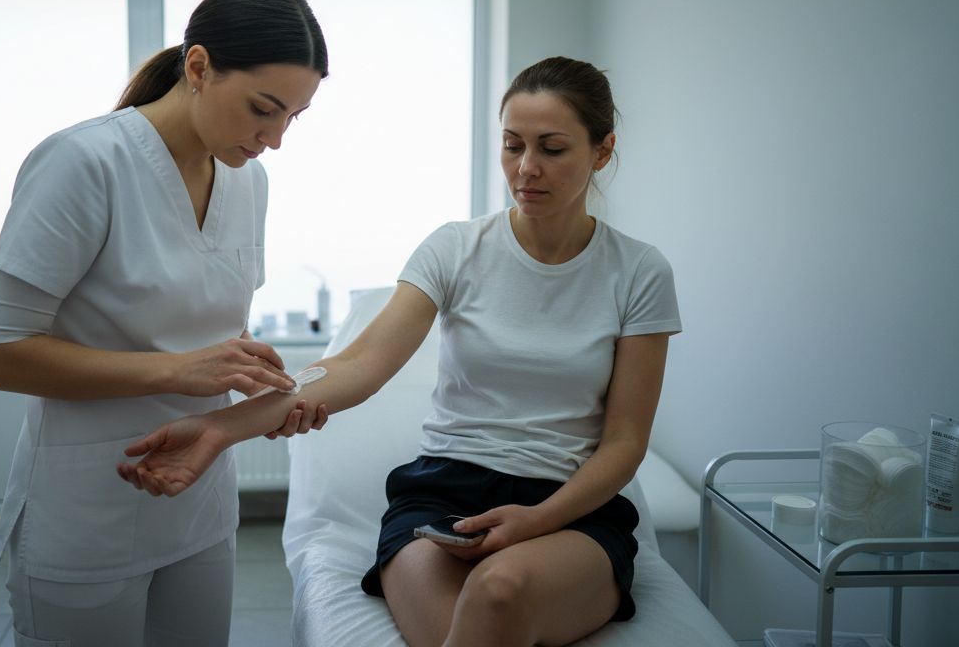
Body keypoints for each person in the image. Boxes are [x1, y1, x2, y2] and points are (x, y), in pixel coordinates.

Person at [118, 56, 682, 647]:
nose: (526, 169)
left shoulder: (637, 272)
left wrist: (536, 522)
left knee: (497, 592)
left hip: (567, 509)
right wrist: (218, 429)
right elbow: (360, 366)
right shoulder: (457, 248)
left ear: (602, 150)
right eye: (513, 145)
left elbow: (624, 442)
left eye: (553, 148)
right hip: (444, 496)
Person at [0, 0, 332, 647]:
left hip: (197, 505)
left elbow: (208, 325)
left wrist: (258, 393)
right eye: (264, 108)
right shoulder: (83, 164)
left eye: (293, 117)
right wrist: (176, 371)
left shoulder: (247, 179)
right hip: (87, 513)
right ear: (198, 67)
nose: (276, 138)